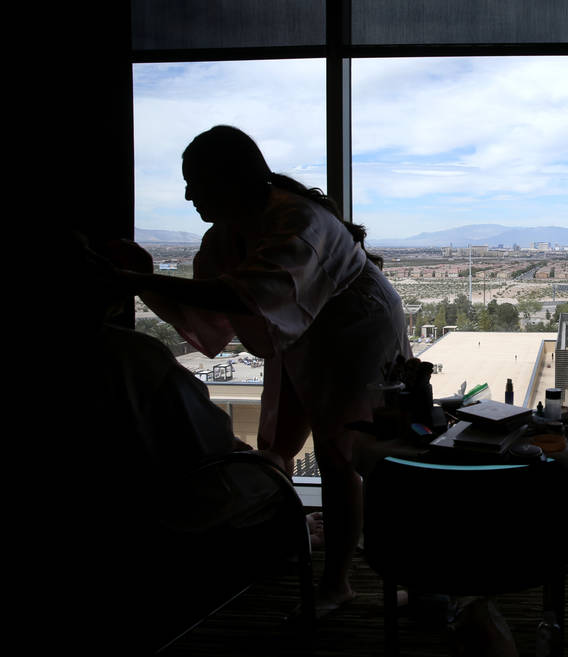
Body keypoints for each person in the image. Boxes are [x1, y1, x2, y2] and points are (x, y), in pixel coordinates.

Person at [112, 125, 412, 616]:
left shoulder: (299, 219)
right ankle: (285, 541)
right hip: (296, 331)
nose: (187, 194)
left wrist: (137, 279)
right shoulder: (225, 236)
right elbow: (215, 310)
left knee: (340, 455)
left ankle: (337, 582)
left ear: (232, 178)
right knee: (280, 442)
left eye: (196, 181)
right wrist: (145, 277)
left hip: (355, 327)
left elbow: (248, 296)